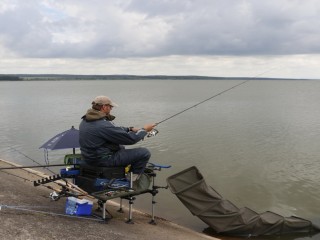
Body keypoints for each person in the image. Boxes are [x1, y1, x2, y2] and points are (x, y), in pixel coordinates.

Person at [79, 95, 156, 178]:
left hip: (89, 157)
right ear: (104, 107)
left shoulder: (85, 120)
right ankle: (134, 179)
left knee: (121, 147)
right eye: (110, 107)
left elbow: (113, 129)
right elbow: (131, 139)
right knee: (144, 152)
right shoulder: (103, 124)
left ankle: (123, 172)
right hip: (102, 160)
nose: (111, 109)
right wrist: (144, 130)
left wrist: (129, 129)